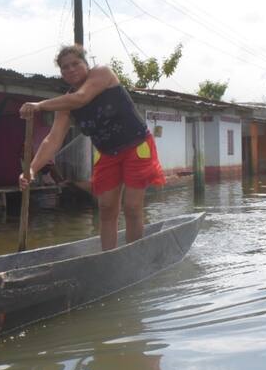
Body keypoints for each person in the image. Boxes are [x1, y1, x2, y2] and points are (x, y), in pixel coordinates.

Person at [19, 45, 165, 251]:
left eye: (75, 63)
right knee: (106, 208)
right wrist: (31, 170)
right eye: (64, 67)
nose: (70, 69)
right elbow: (53, 139)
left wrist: (40, 105)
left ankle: (135, 253)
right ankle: (108, 257)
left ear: (86, 64)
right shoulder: (65, 104)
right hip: (107, 153)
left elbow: (81, 98)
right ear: (61, 74)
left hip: (136, 146)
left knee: (132, 207)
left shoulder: (102, 74)